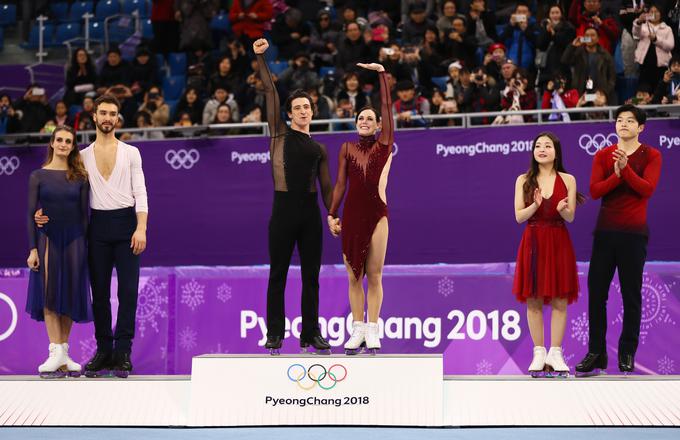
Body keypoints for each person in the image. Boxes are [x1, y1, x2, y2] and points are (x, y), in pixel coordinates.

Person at [35, 95, 148, 378]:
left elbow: (141, 192)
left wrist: (141, 227)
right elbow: (64, 191)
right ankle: (104, 351)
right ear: (94, 117)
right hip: (96, 228)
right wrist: (41, 212)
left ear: (117, 118)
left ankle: (123, 352)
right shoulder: (82, 156)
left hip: (127, 226)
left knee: (127, 293)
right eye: (103, 113)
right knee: (98, 295)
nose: (108, 118)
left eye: (113, 113)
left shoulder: (131, 152)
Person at [253, 39, 333, 354]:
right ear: (289, 114)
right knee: (278, 275)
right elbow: (271, 92)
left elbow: (327, 187)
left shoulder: (319, 148)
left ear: (312, 112)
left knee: (311, 277)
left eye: (306, 107)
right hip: (283, 212)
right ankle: (274, 334)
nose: (302, 111)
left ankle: (310, 334)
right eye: (297, 107)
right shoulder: (279, 134)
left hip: (310, 214)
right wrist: (261, 58)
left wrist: (333, 214)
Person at [576, 104, 662, 376]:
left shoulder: (652, 155)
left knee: (631, 295)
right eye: (620, 120)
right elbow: (595, 190)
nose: (623, 124)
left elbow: (646, 190)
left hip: (634, 235)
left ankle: (627, 353)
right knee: (596, 293)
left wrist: (626, 170)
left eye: (630, 120)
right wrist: (616, 173)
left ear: (641, 127)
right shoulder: (602, 155)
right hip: (605, 233)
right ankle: (596, 352)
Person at [327, 62, 393, 355]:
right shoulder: (346, 148)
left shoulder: (384, 145)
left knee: (374, 275)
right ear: (356, 123)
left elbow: (388, 107)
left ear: (378, 124)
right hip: (352, 215)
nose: (365, 121)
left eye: (370, 118)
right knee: (354, 276)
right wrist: (331, 213)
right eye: (361, 118)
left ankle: (374, 329)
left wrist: (381, 74)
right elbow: (340, 183)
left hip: (377, 214)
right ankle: (357, 329)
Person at [513, 132, 581, 377]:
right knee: (533, 299)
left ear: (556, 151)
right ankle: (539, 352)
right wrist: (535, 205)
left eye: (548, 145)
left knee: (560, 299)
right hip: (533, 241)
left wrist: (563, 209)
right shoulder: (523, 180)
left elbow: (571, 216)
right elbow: (519, 216)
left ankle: (556, 352)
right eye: (538, 145)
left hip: (558, 240)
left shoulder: (569, 179)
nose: (542, 149)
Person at [26, 125, 92, 378]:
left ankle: (63, 354)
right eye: (60, 140)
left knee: (71, 296)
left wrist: (85, 245)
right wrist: (32, 248)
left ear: (73, 145)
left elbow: (85, 217)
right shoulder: (38, 176)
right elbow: (30, 215)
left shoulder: (80, 177)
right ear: (52, 143)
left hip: (75, 240)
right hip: (47, 240)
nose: (64, 144)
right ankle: (55, 351)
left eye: (69, 141)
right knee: (50, 295)